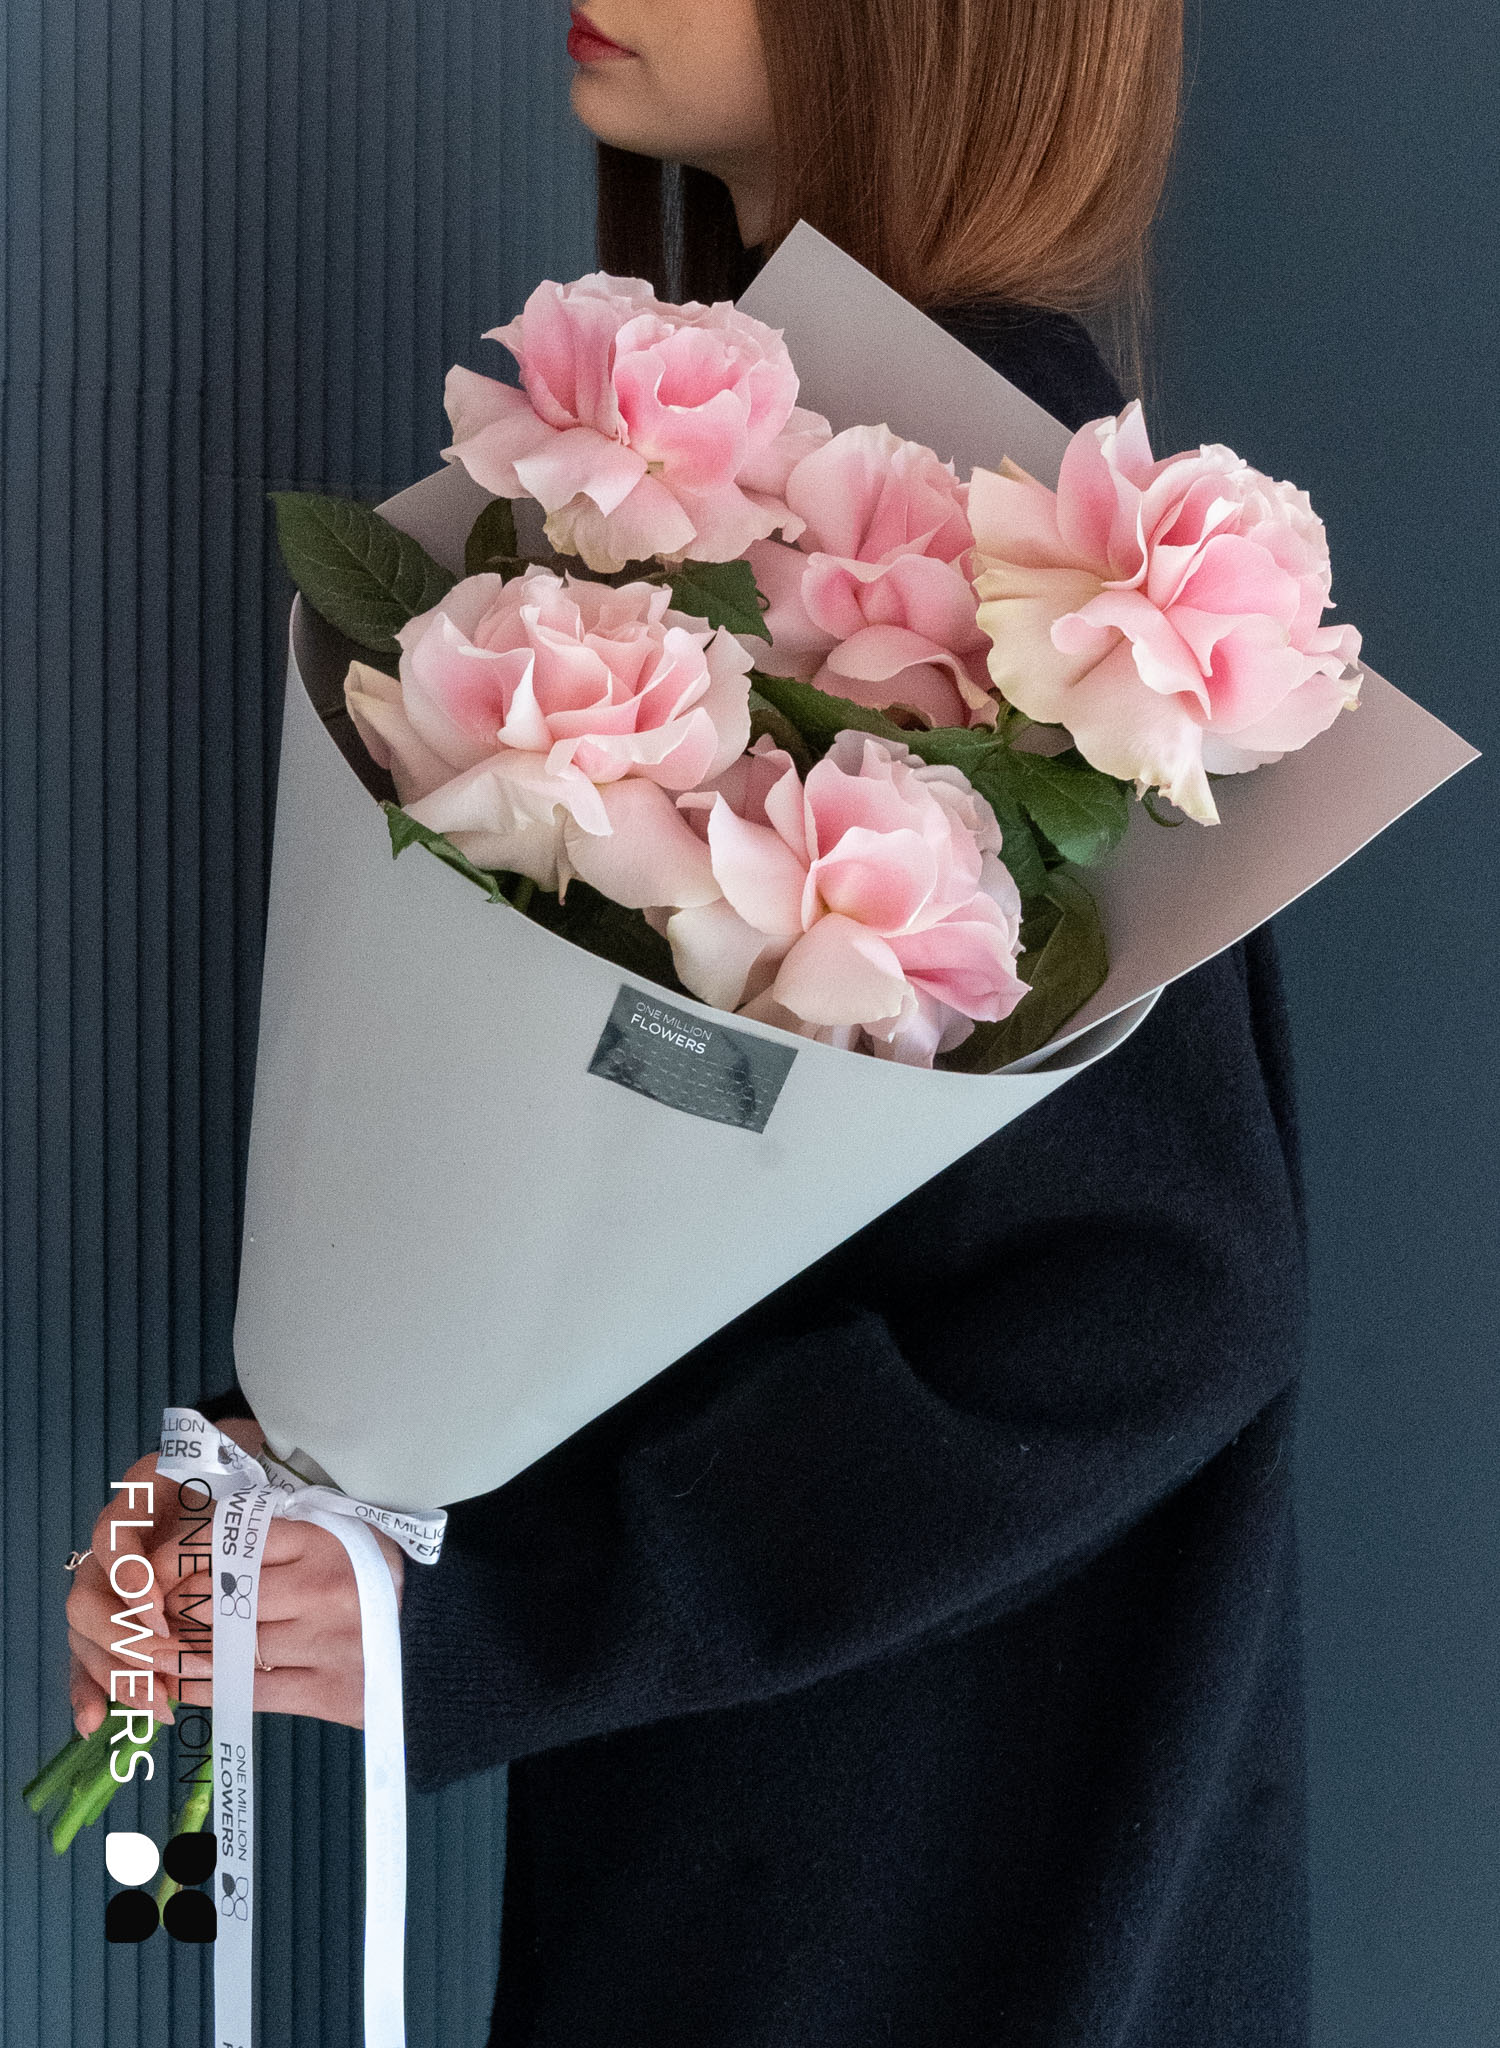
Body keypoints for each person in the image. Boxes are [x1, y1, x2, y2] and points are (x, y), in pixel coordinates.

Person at [66, 1, 1312, 2041]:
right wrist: (323, 1484)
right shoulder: (806, 452)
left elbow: (1160, 1297)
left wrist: (512, 1609)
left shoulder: (1013, 519)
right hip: (797, 1857)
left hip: (930, 1902)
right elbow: (686, 1209)